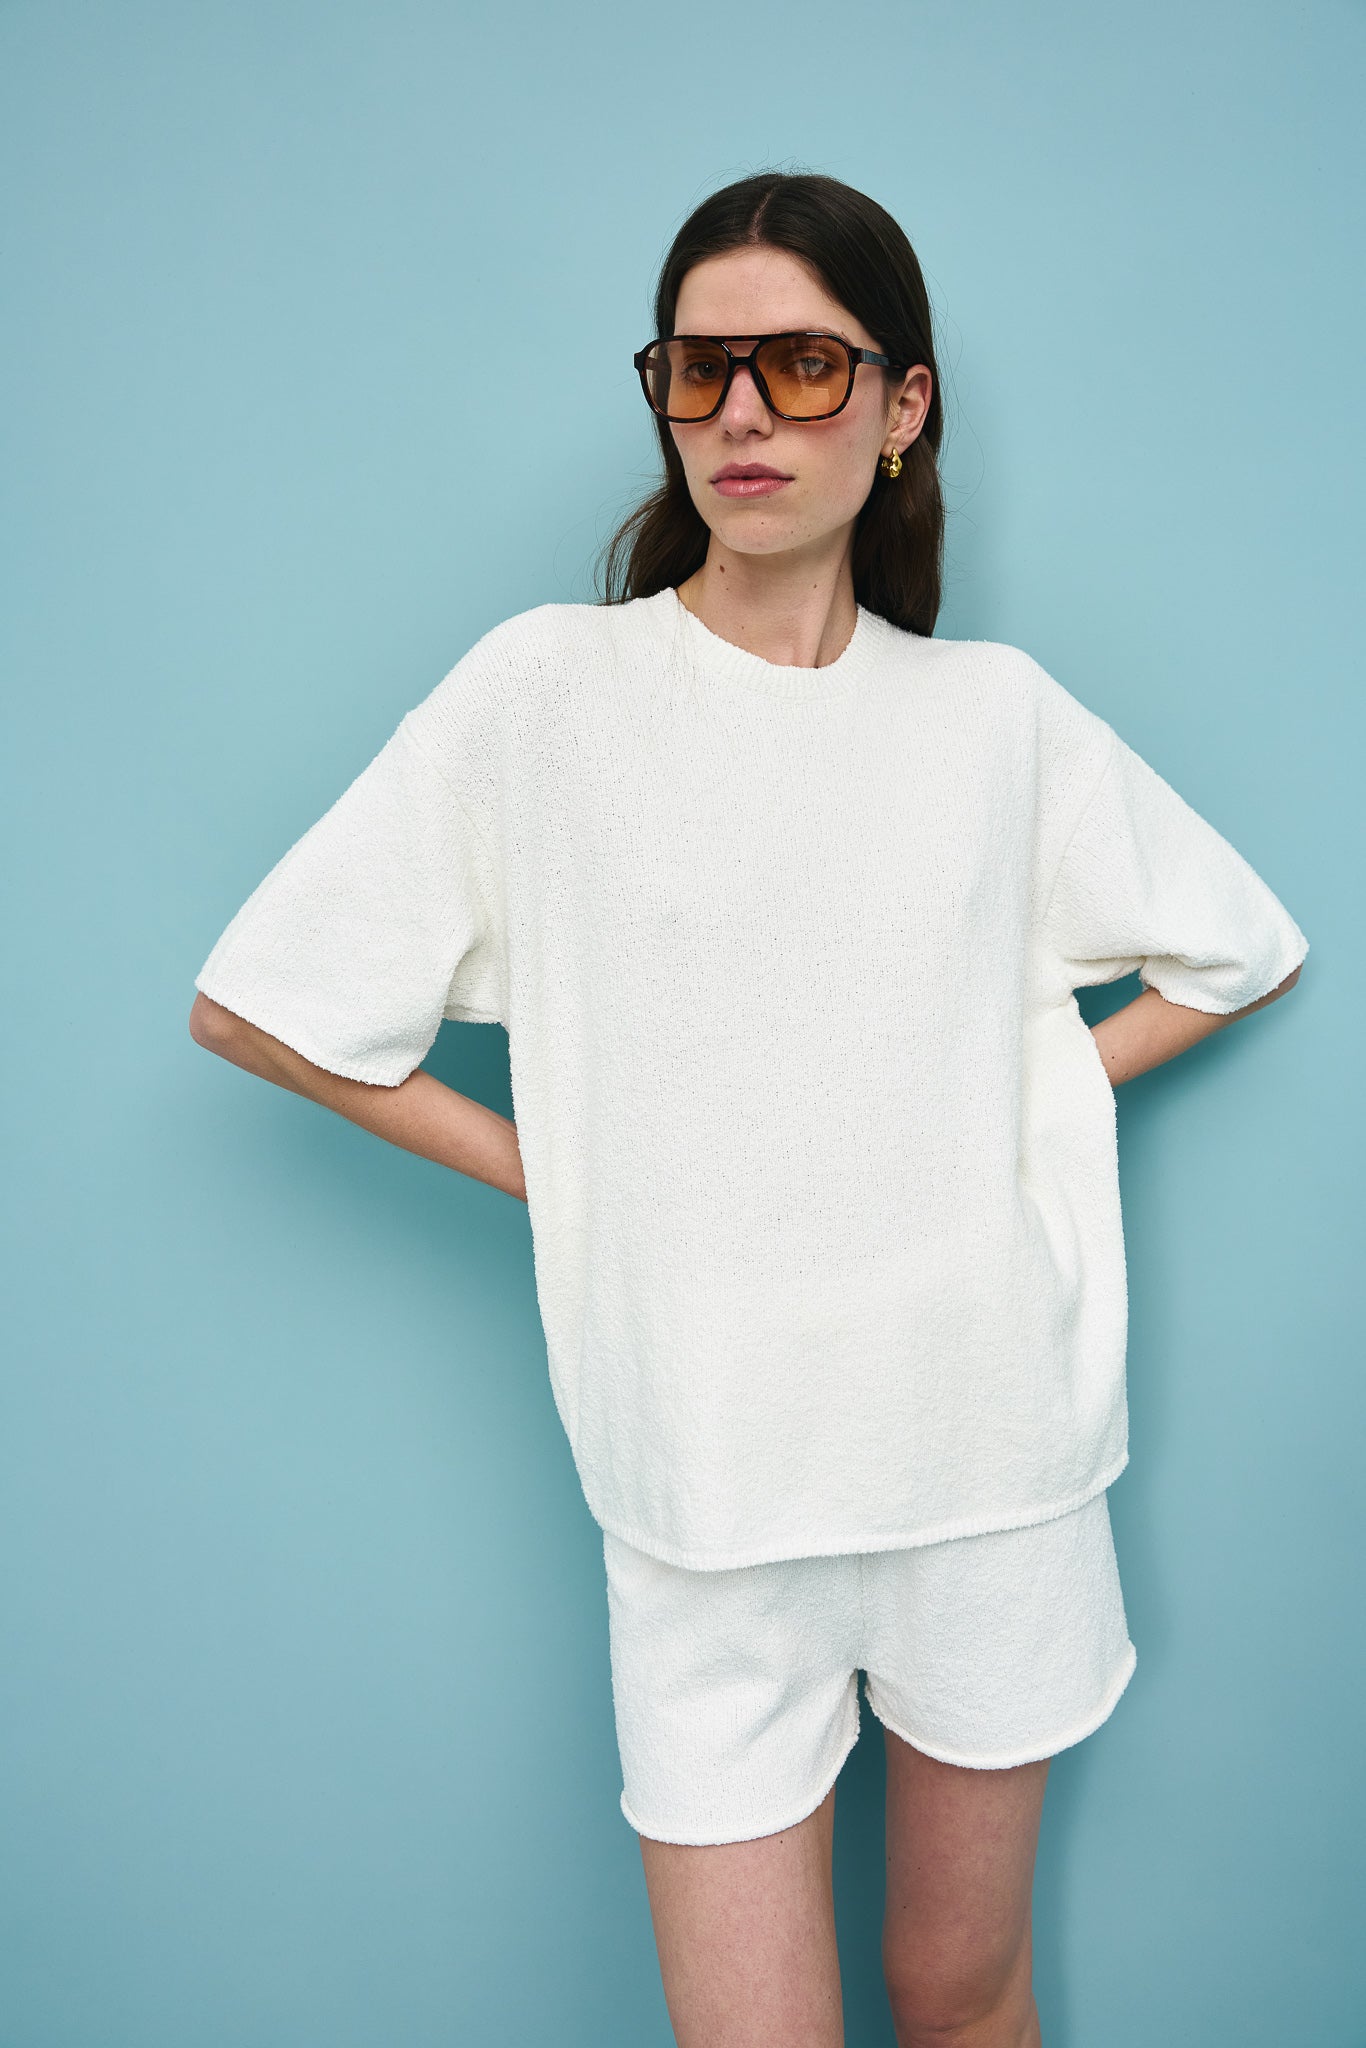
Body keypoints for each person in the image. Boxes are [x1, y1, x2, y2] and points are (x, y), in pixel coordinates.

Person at [189, 171, 1309, 2048]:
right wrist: (569, 1172)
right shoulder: (549, 694)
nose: (738, 414)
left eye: (801, 365)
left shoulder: (993, 718)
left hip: (988, 1464)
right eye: (696, 369)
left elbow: (1239, 949)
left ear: (901, 404)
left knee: (962, 1997)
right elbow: (259, 1005)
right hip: (702, 1491)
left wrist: (1010, 1088)